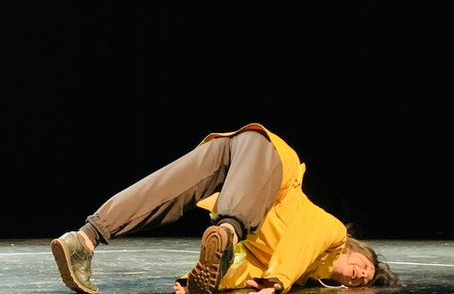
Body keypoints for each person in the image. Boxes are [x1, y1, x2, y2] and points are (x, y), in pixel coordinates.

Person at [50, 123, 399, 294]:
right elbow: (300, 245)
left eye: (361, 280)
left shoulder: (284, 265)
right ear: (358, 250)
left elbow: (240, 265)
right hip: (271, 161)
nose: (360, 273)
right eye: (365, 266)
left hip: (230, 153)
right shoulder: (332, 234)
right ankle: (229, 229)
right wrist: (278, 282)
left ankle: (84, 239)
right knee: (232, 225)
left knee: (164, 192)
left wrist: (193, 280)